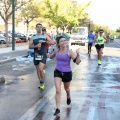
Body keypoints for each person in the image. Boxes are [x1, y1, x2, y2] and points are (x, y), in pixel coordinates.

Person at [47, 35, 81, 116]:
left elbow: (78, 62)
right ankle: (58, 108)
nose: (64, 42)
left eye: (65, 40)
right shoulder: (56, 51)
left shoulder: (69, 52)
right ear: (58, 43)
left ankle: (68, 96)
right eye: (62, 41)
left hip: (67, 73)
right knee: (58, 90)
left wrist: (78, 54)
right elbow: (51, 56)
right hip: (57, 72)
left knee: (67, 89)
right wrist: (48, 55)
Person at [29, 23, 55, 89]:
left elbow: (52, 42)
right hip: (36, 55)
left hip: (43, 54)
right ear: (36, 28)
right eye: (38, 27)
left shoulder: (45, 36)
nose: (39, 28)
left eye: (40, 27)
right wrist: (36, 46)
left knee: (41, 69)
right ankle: (40, 81)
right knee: (38, 70)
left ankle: (42, 82)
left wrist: (44, 41)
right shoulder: (33, 37)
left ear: (42, 28)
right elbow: (29, 46)